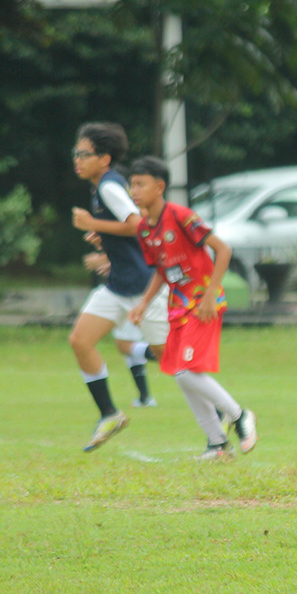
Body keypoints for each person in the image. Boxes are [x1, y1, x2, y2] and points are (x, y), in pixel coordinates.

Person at [126, 156, 257, 461]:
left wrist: (212, 294)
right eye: (132, 184)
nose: (134, 190)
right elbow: (162, 269)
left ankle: (240, 416)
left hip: (203, 305)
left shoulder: (181, 216)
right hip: (178, 308)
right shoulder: (145, 229)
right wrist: (144, 304)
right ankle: (217, 444)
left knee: (185, 372)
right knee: (179, 372)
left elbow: (222, 249)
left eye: (140, 184)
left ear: (160, 186)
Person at [69, 122, 169, 452]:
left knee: (173, 364)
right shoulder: (103, 186)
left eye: (85, 154)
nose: (77, 160)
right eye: (77, 153)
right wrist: (105, 236)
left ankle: (229, 415)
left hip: (142, 287)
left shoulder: (110, 186)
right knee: (81, 341)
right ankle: (109, 414)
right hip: (118, 286)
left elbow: (138, 226)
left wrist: (92, 224)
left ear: (105, 158)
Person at [82, 239, 159, 408]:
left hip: (133, 291)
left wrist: (103, 260)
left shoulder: (129, 221)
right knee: (126, 345)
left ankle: (166, 358)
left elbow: (135, 247)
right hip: (129, 289)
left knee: (125, 345)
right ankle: (144, 397)